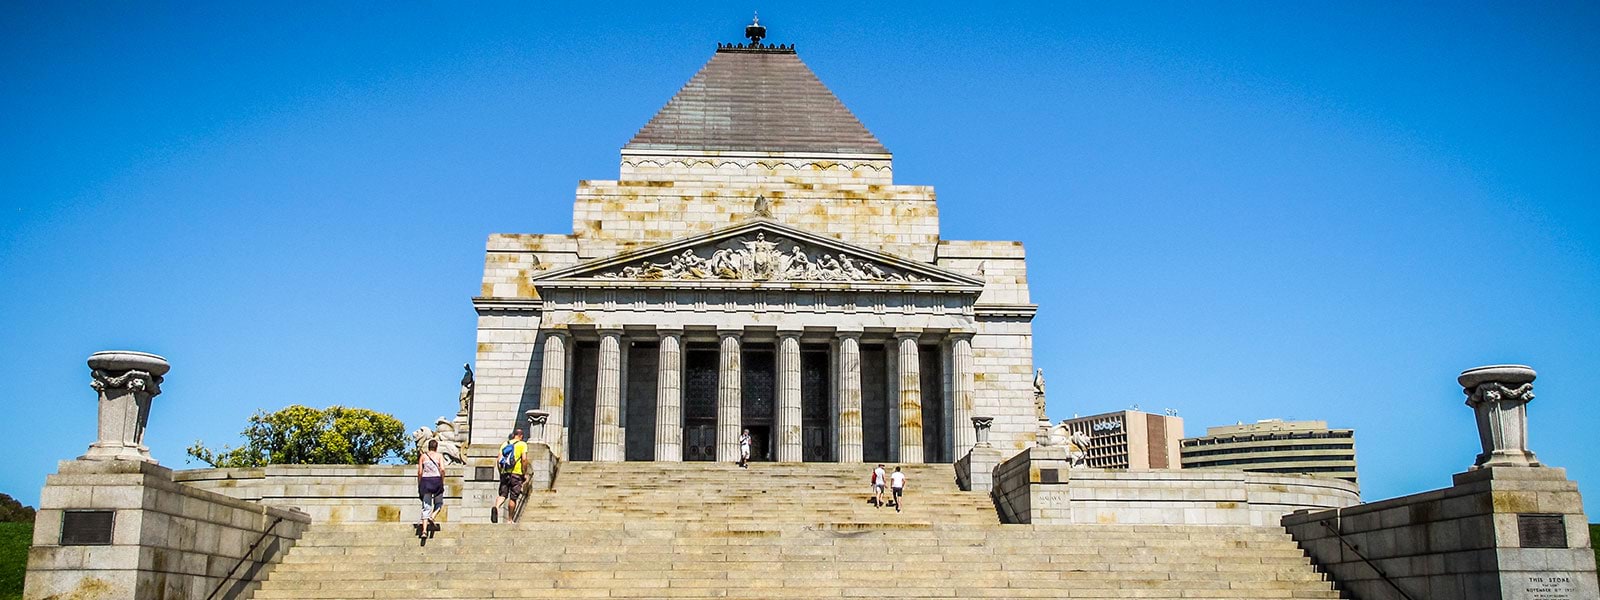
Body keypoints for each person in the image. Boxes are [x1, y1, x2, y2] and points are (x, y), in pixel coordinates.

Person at [492, 429, 529, 523]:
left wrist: (501, 472)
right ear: (521, 436)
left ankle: (496, 507)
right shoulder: (522, 444)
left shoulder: (505, 444)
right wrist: (524, 472)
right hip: (516, 474)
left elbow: (498, 459)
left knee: (503, 494)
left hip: (505, 473)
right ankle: (510, 519)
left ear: (513, 435)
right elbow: (524, 459)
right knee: (513, 497)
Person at [416, 439, 445, 530]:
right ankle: (432, 516)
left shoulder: (423, 456)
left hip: (425, 482)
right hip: (436, 481)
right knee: (439, 503)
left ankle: (424, 531)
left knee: (426, 506)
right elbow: (443, 469)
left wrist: (420, 482)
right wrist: (442, 480)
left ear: (428, 447)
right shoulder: (439, 456)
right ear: (436, 447)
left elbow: (420, 472)